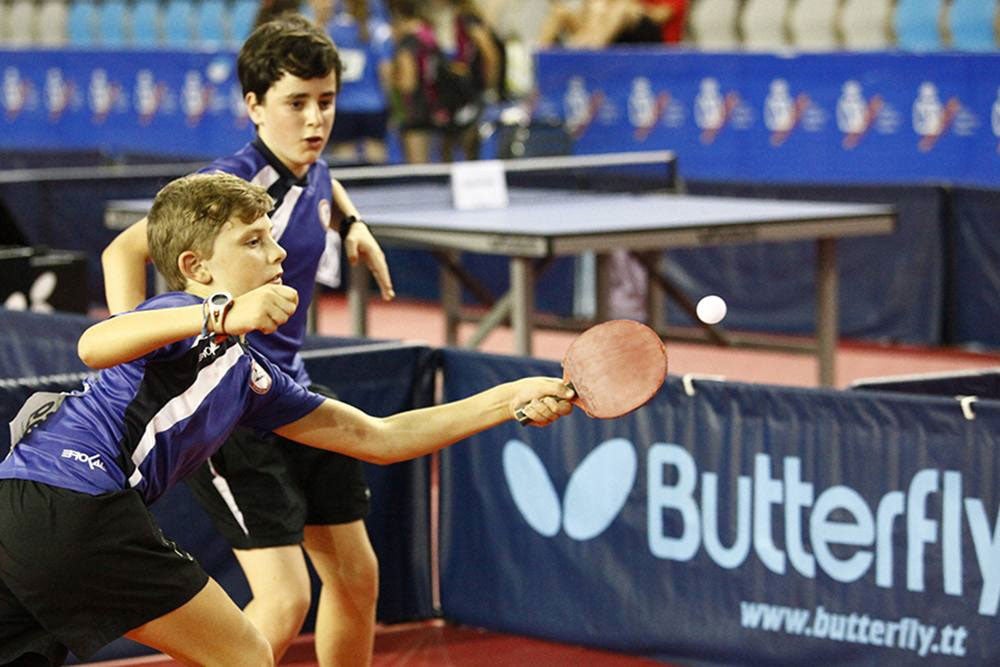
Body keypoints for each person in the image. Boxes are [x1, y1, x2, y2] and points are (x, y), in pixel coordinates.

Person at [0, 172, 574, 666]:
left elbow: (378, 437)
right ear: (195, 268)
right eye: (254, 241)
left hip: (20, 511)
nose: (279, 255)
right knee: (247, 654)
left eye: (273, 238)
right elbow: (95, 343)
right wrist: (215, 313)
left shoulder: (251, 378)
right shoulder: (178, 317)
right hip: (78, 501)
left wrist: (507, 398)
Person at [100, 15, 394, 666]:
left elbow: (322, 183)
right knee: (285, 598)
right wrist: (135, 341)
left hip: (289, 390)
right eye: (296, 104)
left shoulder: (310, 164)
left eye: (327, 102)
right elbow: (123, 248)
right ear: (254, 105)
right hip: (230, 407)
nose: (316, 121)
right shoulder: (228, 188)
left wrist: (353, 223)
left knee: (355, 574)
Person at [322, 0, 395, 164]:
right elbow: (386, 71)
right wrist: (389, 103)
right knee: (376, 152)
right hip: (375, 105)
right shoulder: (380, 30)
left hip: (343, 105)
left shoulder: (332, 29)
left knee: (344, 159)